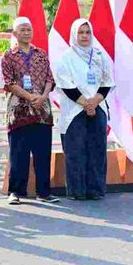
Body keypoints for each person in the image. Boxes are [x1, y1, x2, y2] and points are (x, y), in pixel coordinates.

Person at [54, 19, 114, 201]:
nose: (85, 36)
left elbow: (107, 82)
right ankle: (77, 191)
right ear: (74, 34)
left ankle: (96, 190)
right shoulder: (65, 58)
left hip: (98, 108)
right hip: (74, 111)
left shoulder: (99, 55)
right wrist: (86, 104)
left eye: (88, 32)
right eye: (81, 33)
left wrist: (94, 102)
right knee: (75, 151)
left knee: (98, 151)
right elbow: (66, 85)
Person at [1, 17, 59, 205]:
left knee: (43, 152)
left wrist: (42, 97)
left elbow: (50, 79)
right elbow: (8, 83)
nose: (27, 33)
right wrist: (29, 96)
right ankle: (16, 192)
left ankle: (44, 192)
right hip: (19, 110)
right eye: (22, 30)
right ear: (15, 34)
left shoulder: (41, 54)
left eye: (29, 29)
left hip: (42, 110)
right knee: (18, 153)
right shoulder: (8, 56)